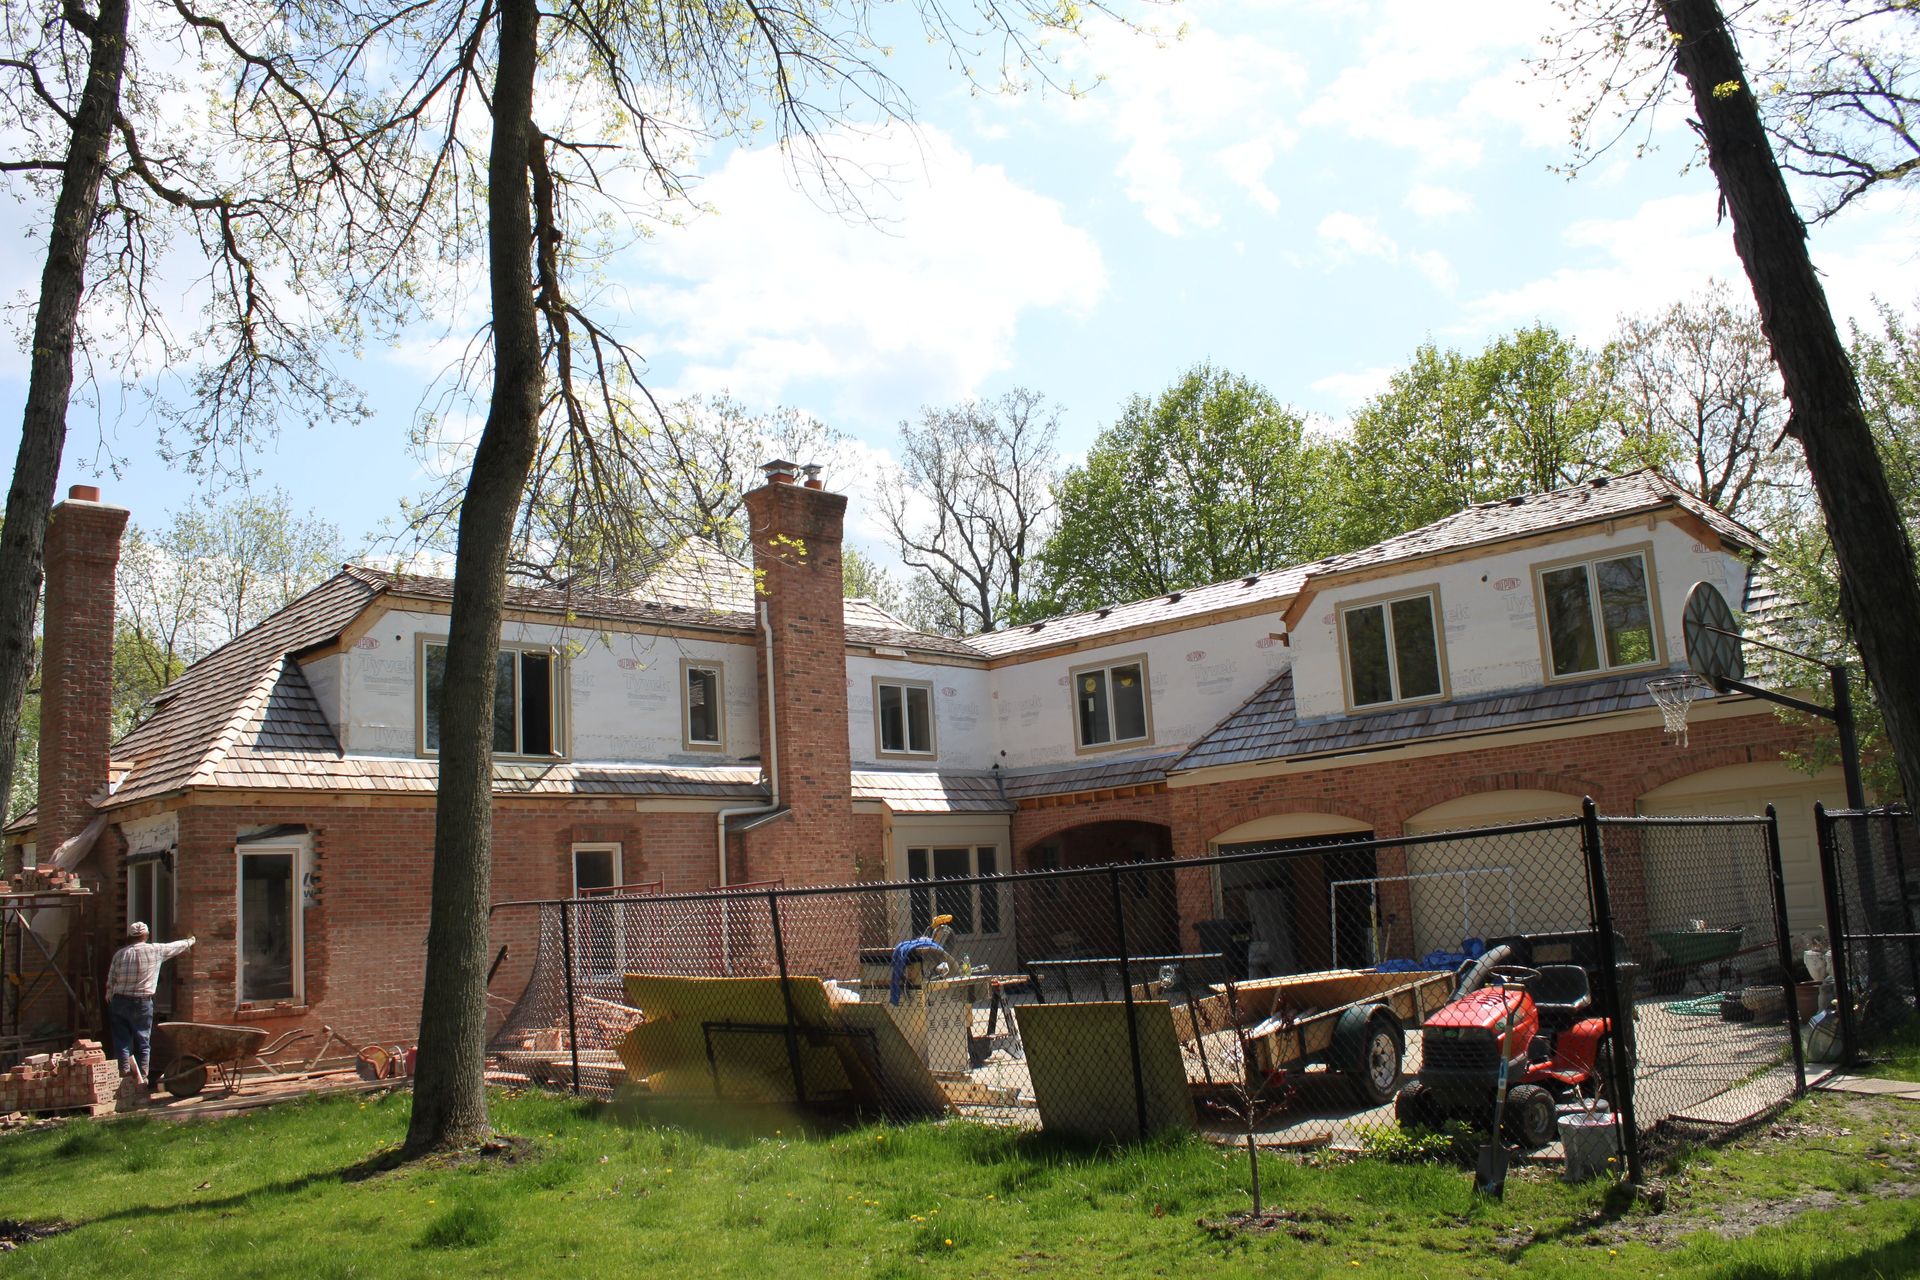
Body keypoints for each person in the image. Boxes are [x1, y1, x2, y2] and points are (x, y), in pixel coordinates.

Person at [105, 922, 196, 1082]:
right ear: (146, 936)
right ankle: (142, 1076)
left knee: (122, 1039)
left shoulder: (120, 955)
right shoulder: (155, 950)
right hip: (142, 1002)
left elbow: (111, 980)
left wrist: (110, 994)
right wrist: (191, 941)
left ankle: (124, 1071)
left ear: (130, 937)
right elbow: (174, 947)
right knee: (143, 1039)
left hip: (120, 1001)